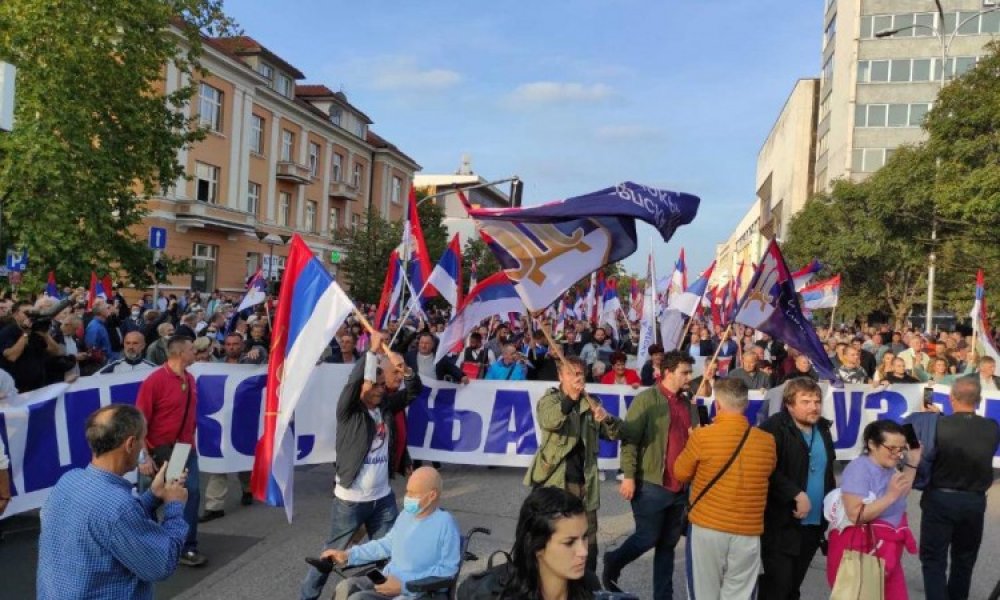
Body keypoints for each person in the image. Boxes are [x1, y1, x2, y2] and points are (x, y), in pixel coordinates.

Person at [301, 332, 422, 600]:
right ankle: (307, 596)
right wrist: (371, 351)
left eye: (383, 385)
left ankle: (379, 595)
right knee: (331, 556)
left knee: (390, 552)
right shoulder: (349, 411)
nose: (381, 389)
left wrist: (406, 369)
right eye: (376, 384)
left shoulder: (386, 406)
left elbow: (414, 390)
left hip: (383, 499)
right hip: (351, 502)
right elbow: (356, 380)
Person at [36, 404, 189, 600]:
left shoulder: (68, 480)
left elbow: (110, 526)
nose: (144, 447)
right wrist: (174, 506)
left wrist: (153, 495)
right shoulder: (119, 506)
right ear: (130, 444)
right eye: (143, 439)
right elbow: (161, 564)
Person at [603, 351, 698, 600]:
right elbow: (630, 440)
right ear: (667, 373)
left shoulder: (689, 404)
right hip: (651, 484)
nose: (690, 376)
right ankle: (614, 560)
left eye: (690, 372)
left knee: (668, 545)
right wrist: (629, 476)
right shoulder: (646, 400)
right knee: (647, 538)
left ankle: (663, 596)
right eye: (685, 372)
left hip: (681, 487)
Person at [674, 378, 776, 600]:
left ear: (717, 405)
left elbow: (680, 473)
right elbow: (767, 472)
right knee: (740, 594)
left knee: (704, 594)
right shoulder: (767, 441)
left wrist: (693, 441)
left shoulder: (703, 436)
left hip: (707, 527)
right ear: (745, 405)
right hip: (748, 531)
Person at [525, 356, 622, 572]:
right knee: (549, 537)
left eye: (580, 374)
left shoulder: (592, 401)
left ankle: (585, 585)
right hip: (555, 480)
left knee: (587, 540)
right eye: (571, 374)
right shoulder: (550, 399)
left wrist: (605, 418)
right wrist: (572, 397)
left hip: (584, 483)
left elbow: (614, 432)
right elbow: (550, 420)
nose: (577, 378)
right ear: (561, 376)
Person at [323, 467, 461, 600]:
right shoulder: (406, 515)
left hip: (417, 591)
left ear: (432, 495)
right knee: (346, 587)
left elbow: (447, 571)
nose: (407, 497)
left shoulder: (446, 524)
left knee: (357, 598)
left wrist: (405, 585)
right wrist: (349, 555)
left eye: (413, 493)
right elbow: (386, 545)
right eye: (408, 491)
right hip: (388, 579)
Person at [919, 376, 1000, 600]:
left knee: (933, 560)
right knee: (964, 561)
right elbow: (966, 434)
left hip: (940, 499)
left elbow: (927, 451)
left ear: (952, 398)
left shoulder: (938, 424)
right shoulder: (992, 428)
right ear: (979, 400)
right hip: (974, 502)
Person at [758, 377, 836, 600]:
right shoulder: (773, 427)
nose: (814, 407)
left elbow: (827, 470)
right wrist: (794, 493)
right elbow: (764, 468)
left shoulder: (823, 427)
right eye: (806, 401)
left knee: (793, 587)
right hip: (780, 523)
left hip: (813, 524)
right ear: (789, 405)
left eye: (816, 401)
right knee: (778, 587)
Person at [826, 420, 922, 600]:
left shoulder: (888, 466)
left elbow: (901, 492)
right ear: (872, 444)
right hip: (862, 551)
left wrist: (913, 462)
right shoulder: (859, 468)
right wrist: (890, 496)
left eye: (901, 449)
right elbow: (856, 514)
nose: (897, 454)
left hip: (886, 552)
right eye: (891, 448)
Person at [135, 335, 206, 567]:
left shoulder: (191, 379)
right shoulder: (154, 381)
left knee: (190, 493)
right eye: (191, 349)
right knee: (152, 497)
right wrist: (143, 456)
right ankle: (150, 548)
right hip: (158, 451)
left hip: (184, 450)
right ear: (179, 354)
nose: (195, 352)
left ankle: (186, 546)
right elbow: (139, 421)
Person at [494, 487, 599, 600]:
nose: (584, 551)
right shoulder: (507, 596)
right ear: (536, 546)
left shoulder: (590, 586)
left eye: (584, 537)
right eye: (569, 542)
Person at [0, 300, 64, 392]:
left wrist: (45, 335)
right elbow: (12, 356)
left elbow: (56, 352)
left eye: (33, 313)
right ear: (15, 315)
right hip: (16, 387)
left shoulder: (36, 331)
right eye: (27, 313)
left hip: (38, 385)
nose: (31, 316)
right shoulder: (7, 332)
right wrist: (26, 333)